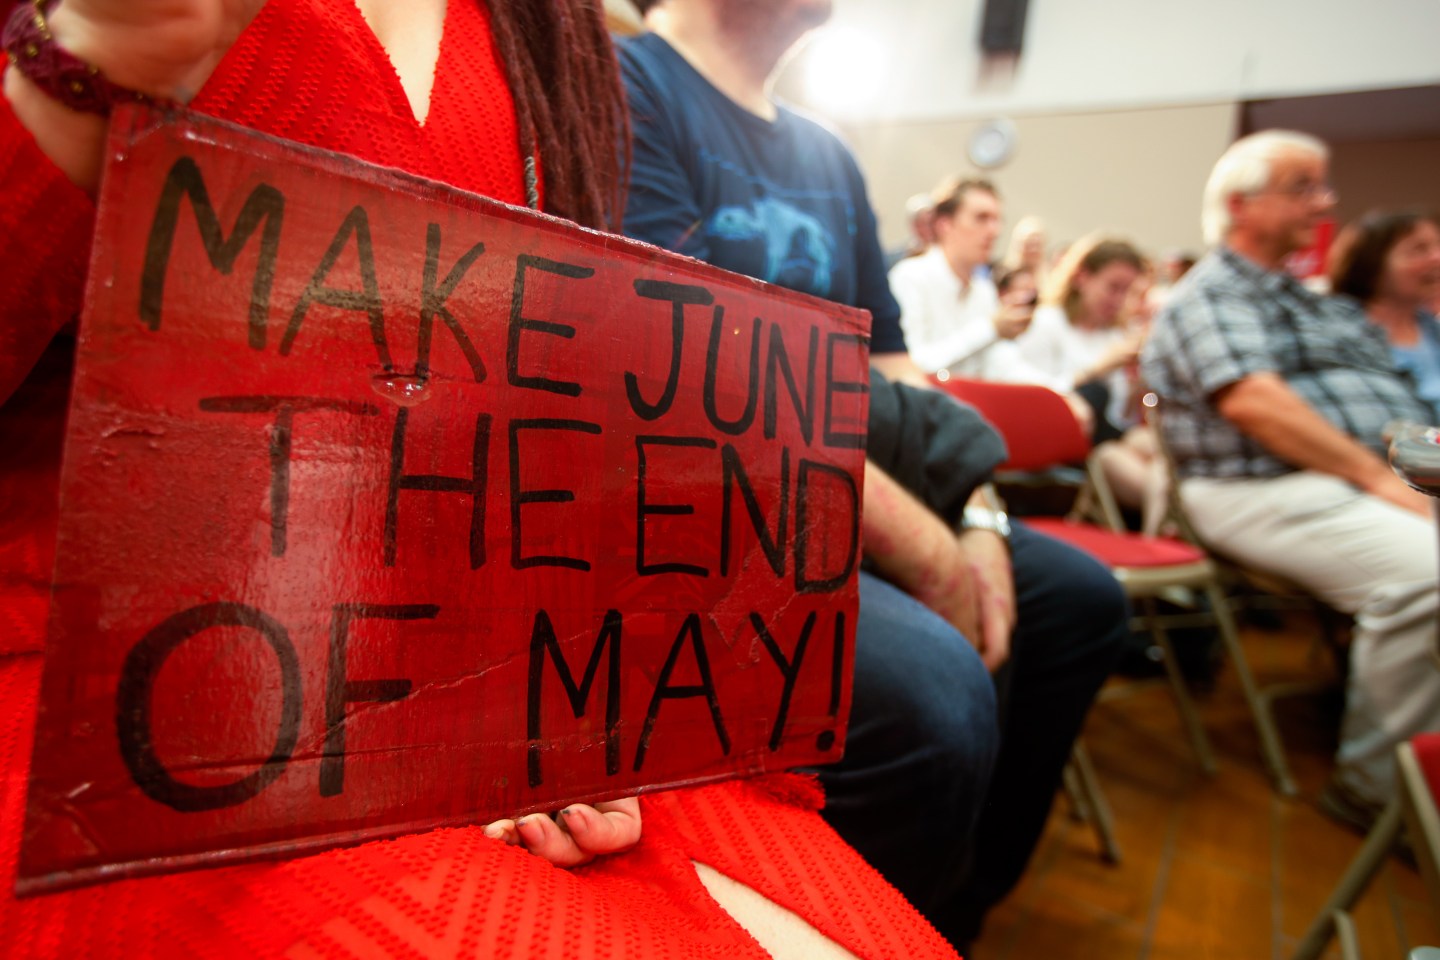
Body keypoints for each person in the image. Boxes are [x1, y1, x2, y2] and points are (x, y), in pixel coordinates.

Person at [0, 2, 962, 957]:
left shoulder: (549, 29)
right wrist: (97, 55)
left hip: (476, 665)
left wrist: (555, 697)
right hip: (107, 711)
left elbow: (551, 411)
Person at [618, 0, 1128, 948]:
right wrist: (926, 547)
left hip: (847, 475)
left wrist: (975, 510)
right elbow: (688, 381)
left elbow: (895, 376)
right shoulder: (630, 87)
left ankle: (957, 914)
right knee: (936, 696)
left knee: (1078, 601)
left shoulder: (829, 155)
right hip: (718, 496)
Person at [1140, 130, 1440, 822]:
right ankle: (1379, 790)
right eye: (1303, 187)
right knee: (1427, 576)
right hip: (1256, 485)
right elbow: (1255, 404)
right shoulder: (1209, 296)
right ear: (1242, 206)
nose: (1324, 202)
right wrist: (1380, 479)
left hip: (1353, 477)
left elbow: (1391, 396)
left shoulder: (1313, 302)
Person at [1017, 235, 1165, 519]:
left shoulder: (1114, 335)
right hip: (1068, 446)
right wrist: (1099, 369)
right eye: (1112, 287)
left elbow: (1121, 415)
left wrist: (1138, 386)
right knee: (1134, 466)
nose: (1118, 299)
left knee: (1160, 453)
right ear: (1082, 277)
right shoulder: (1048, 324)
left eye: (1126, 291)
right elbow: (1033, 399)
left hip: (1111, 436)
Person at [888, 177, 1052, 383]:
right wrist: (990, 328)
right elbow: (912, 365)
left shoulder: (983, 290)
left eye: (997, 220)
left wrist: (1062, 392)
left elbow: (1003, 366)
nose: (995, 231)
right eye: (981, 218)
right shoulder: (910, 277)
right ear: (945, 225)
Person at [1329, 210, 1440, 418]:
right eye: (1419, 249)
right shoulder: (1335, 336)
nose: (1437, 258)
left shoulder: (1434, 332)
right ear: (1372, 266)